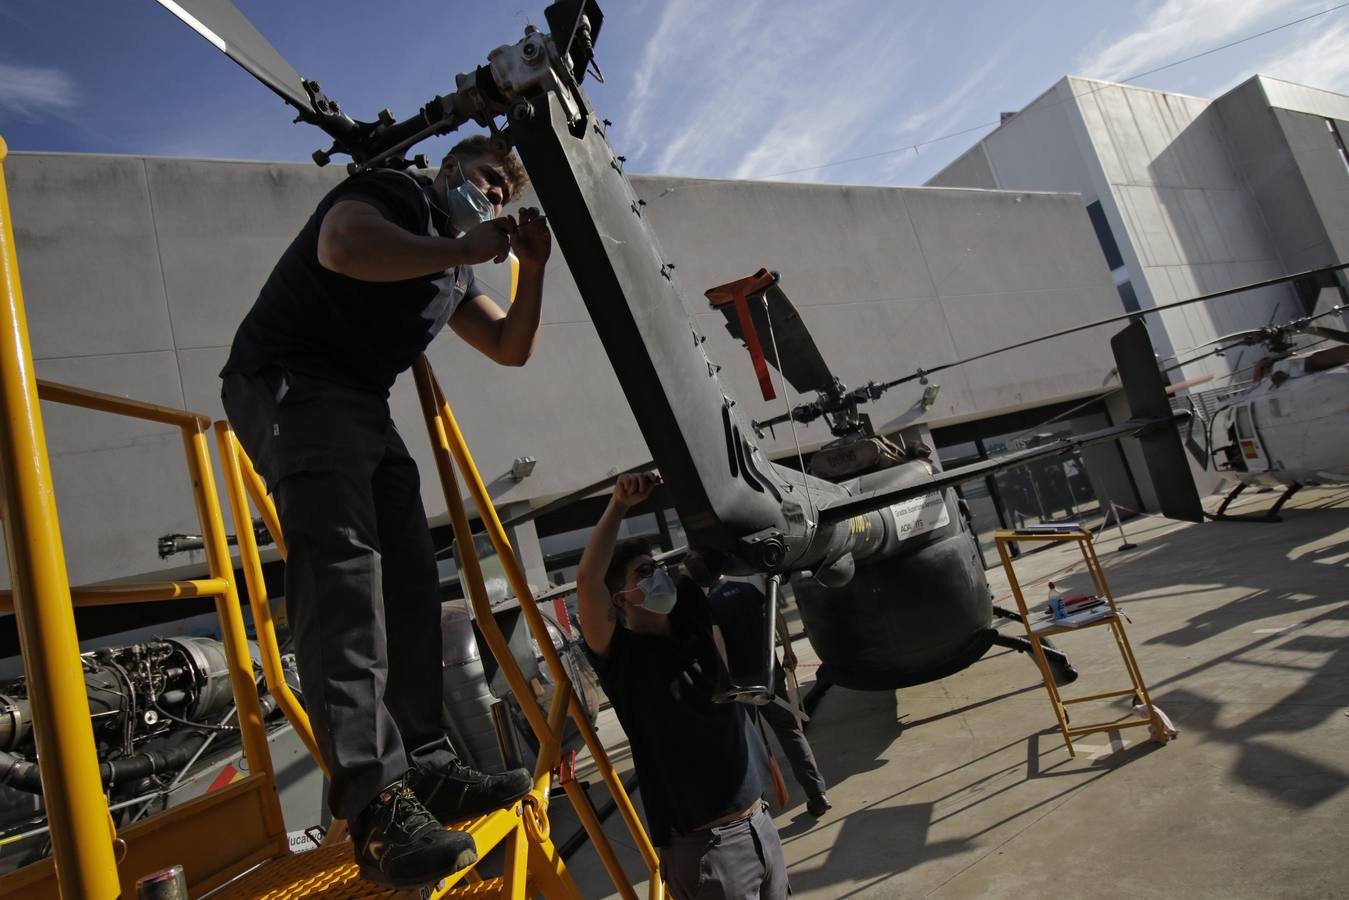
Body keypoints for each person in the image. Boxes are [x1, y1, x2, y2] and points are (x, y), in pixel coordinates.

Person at [219, 136, 550, 890]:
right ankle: (373, 806)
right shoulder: (397, 191)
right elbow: (341, 248)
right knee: (344, 575)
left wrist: (530, 271)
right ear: (448, 169)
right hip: (290, 383)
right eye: (487, 178)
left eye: (504, 192)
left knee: (408, 580)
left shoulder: (455, 265)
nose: (494, 196)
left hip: (362, 400)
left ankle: (426, 766)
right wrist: (457, 240)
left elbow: (508, 344)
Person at [576, 473, 790, 900]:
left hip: (759, 825)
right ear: (621, 599)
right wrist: (618, 505)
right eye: (644, 572)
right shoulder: (621, 657)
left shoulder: (689, 617)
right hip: (708, 852)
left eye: (658, 566)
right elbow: (587, 581)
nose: (658, 576)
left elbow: (715, 541)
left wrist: (686, 479)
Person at [707, 579, 831, 818]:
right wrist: (788, 649)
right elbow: (777, 617)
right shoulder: (749, 590)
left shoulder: (711, 602)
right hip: (769, 675)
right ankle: (817, 793)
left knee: (746, 745)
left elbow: (719, 641)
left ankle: (758, 804)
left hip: (741, 686)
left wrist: (724, 683)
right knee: (790, 732)